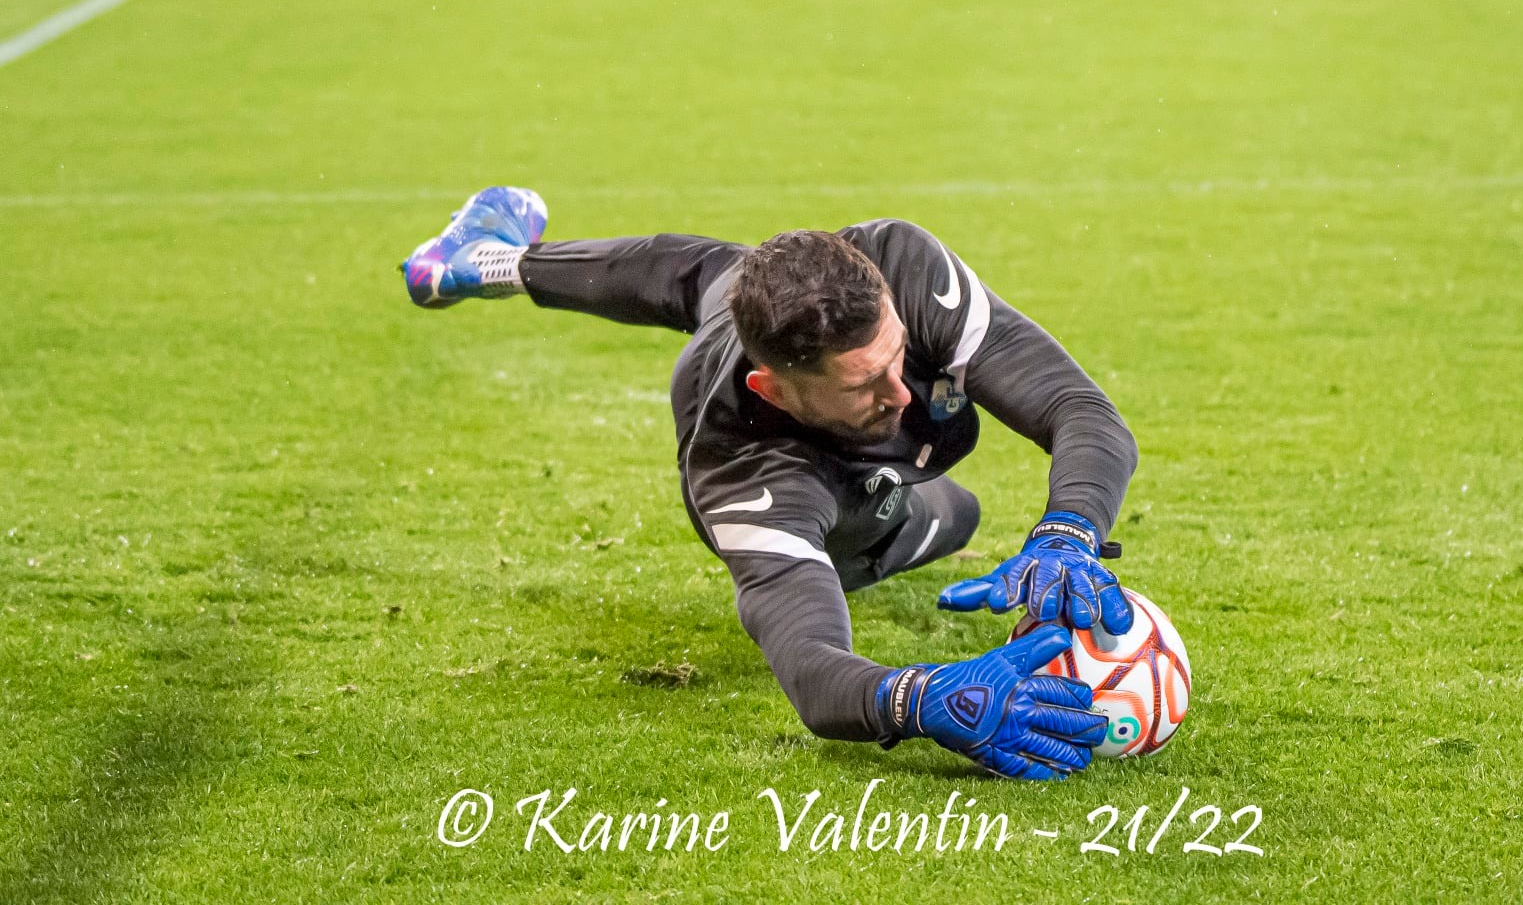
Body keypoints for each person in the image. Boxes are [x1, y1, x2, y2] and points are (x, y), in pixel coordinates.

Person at [401, 186, 1140, 781]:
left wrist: (1067, 529)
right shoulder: (743, 474)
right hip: (825, 484)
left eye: (896, 356)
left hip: (744, 295)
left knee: (703, 272)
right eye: (864, 384)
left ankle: (486, 261)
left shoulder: (898, 268)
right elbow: (816, 676)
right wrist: (916, 698)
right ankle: (483, 261)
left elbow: (1080, 411)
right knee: (952, 517)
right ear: (776, 389)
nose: (902, 392)